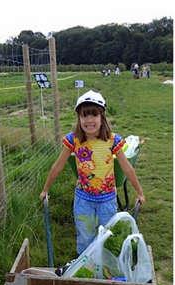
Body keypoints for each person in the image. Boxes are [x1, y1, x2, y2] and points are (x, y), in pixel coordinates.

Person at [39, 90, 145, 253]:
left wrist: (139, 192)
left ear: (102, 116)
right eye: (84, 115)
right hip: (83, 199)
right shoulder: (73, 139)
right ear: (79, 118)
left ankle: (105, 271)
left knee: (107, 237)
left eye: (93, 115)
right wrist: (45, 189)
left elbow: (126, 168)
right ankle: (85, 271)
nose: (89, 120)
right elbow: (58, 166)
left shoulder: (112, 140)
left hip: (107, 199)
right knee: (85, 237)